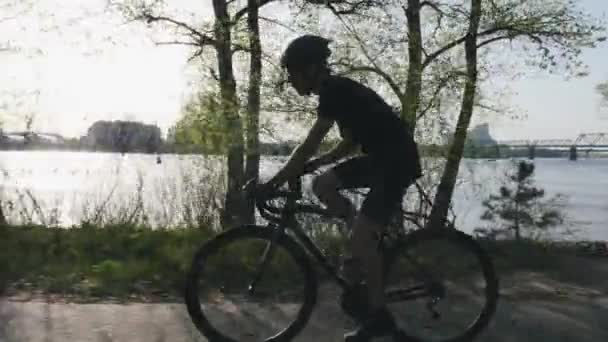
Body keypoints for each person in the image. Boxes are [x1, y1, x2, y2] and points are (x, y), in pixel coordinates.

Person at [257, 34, 422, 340]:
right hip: (380, 159)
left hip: (396, 163)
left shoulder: (335, 90)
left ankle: (380, 319)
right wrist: (317, 165)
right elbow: (351, 142)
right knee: (322, 184)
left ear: (310, 69)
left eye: (292, 73)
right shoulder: (337, 93)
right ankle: (360, 241)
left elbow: (309, 144)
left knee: (361, 238)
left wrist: (275, 182)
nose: (290, 81)